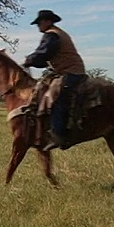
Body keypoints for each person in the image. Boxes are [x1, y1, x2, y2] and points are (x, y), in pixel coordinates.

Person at [23, 9, 87, 151]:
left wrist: (29, 60)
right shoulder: (56, 34)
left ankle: (59, 135)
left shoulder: (52, 35)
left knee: (55, 97)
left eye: (39, 23)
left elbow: (43, 53)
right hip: (67, 70)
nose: (38, 26)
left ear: (47, 21)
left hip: (71, 72)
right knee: (41, 88)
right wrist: (33, 61)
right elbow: (43, 59)